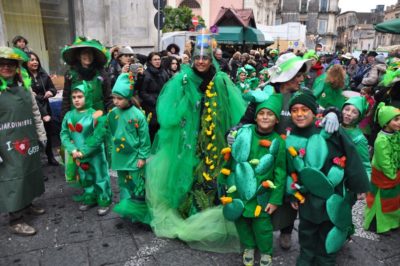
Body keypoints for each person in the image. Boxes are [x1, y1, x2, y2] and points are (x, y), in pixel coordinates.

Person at [146, 33, 246, 252]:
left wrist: (233, 131)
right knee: (188, 172)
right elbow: (168, 109)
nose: (201, 61)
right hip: (189, 137)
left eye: (206, 58)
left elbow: (233, 109)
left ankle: (209, 211)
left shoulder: (220, 80)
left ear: (211, 60)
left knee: (211, 173)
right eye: (198, 58)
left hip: (213, 138)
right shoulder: (183, 78)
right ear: (192, 59)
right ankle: (190, 211)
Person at [230, 52, 341, 250]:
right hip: (265, 155)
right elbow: (246, 120)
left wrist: (333, 112)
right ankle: (258, 231)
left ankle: (287, 232)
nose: (302, 78)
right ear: (287, 76)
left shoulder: (302, 94)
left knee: (290, 195)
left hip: (293, 156)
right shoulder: (264, 93)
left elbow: (322, 108)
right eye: (298, 75)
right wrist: (235, 132)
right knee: (263, 193)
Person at [286, 90, 369, 265]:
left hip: (334, 193)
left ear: (313, 111)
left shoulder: (331, 129)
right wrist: (292, 193)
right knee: (306, 229)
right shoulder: (291, 136)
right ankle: (306, 257)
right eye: (294, 110)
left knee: (330, 228)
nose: (299, 114)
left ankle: (325, 259)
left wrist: (359, 186)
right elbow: (291, 168)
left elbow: (352, 155)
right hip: (307, 196)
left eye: (304, 109)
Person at [220, 94, 286, 266]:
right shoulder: (244, 133)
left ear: (277, 119)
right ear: (255, 116)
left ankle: (266, 250)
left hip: (261, 194)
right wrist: (224, 182)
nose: (265, 117)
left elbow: (280, 171)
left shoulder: (278, 142)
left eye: (270, 114)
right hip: (239, 189)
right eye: (261, 113)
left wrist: (275, 199)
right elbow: (231, 159)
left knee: (262, 226)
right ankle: (248, 246)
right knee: (241, 222)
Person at [0, 46, 47, 235]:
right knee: (13, 179)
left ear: (17, 67)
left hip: (27, 140)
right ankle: (15, 219)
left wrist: (41, 136)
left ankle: (27, 204)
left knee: (28, 173)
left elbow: (36, 113)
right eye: (2, 64)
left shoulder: (24, 88)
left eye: (10, 64)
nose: (6, 68)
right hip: (6, 146)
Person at [60, 83, 112, 215]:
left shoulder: (95, 114)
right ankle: (90, 197)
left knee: (100, 176)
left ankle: (104, 199)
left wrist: (84, 150)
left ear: (87, 97)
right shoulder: (69, 115)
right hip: (77, 154)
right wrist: (72, 150)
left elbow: (98, 135)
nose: (76, 100)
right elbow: (64, 134)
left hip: (95, 154)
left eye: (80, 96)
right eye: (74, 97)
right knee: (85, 176)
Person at [107, 73, 151, 223]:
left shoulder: (138, 115)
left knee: (137, 184)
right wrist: (110, 153)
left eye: (120, 99)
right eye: (114, 98)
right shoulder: (112, 114)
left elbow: (144, 138)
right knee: (124, 184)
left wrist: (142, 156)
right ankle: (128, 211)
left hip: (135, 158)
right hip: (121, 158)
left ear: (128, 97)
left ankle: (140, 214)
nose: (116, 102)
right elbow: (111, 134)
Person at [364, 103, 400, 234]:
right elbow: (384, 161)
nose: (399, 122)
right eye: (396, 119)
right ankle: (377, 225)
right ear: (386, 122)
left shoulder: (396, 134)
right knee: (380, 202)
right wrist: (393, 175)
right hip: (384, 176)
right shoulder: (381, 140)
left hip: (394, 174)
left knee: (392, 201)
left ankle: (391, 222)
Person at [61, 36, 112, 120]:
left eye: (90, 53)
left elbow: (108, 98)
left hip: (98, 118)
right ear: (78, 56)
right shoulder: (70, 74)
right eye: (84, 53)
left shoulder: (102, 73)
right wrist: (65, 119)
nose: (88, 56)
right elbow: (66, 98)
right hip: (77, 119)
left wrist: (112, 115)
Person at [25, 51, 59, 166]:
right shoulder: (24, 77)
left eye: (36, 60)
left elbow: (53, 89)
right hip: (32, 110)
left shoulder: (43, 75)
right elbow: (30, 96)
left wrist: (51, 92)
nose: (35, 62)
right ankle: (36, 162)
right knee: (33, 136)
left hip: (46, 106)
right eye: (32, 60)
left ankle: (50, 156)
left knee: (48, 133)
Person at [137, 52, 169, 142]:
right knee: (152, 128)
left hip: (163, 105)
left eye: (159, 59)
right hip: (150, 106)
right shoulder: (146, 74)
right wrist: (155, 101)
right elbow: (142, 92)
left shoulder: (164, 72)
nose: (157, 61)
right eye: (155, 59)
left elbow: (168, 87)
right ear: (150, 61)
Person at [341, 96, 372, 179]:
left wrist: (364, 185)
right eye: (347, 109)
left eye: (354, 112)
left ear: (359, 117)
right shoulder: (334, 124)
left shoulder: (359, 139)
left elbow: (365, 165)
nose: (348, 113)